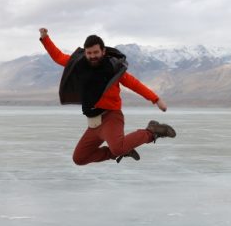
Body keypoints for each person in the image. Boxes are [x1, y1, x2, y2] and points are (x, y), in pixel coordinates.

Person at [39, 28, 177, 166]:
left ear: (103, 51)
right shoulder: (78, 64)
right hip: (94, 123)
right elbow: (58, 57)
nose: (92, 56)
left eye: (96, 52)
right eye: (89, 53)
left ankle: (151, 132)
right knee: (79, 158)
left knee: (118, 147)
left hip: (111, 117)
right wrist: (45, 38)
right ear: (85, 52)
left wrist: (156, 99)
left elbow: (134, 84)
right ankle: (121, 151)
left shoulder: (113, 68)